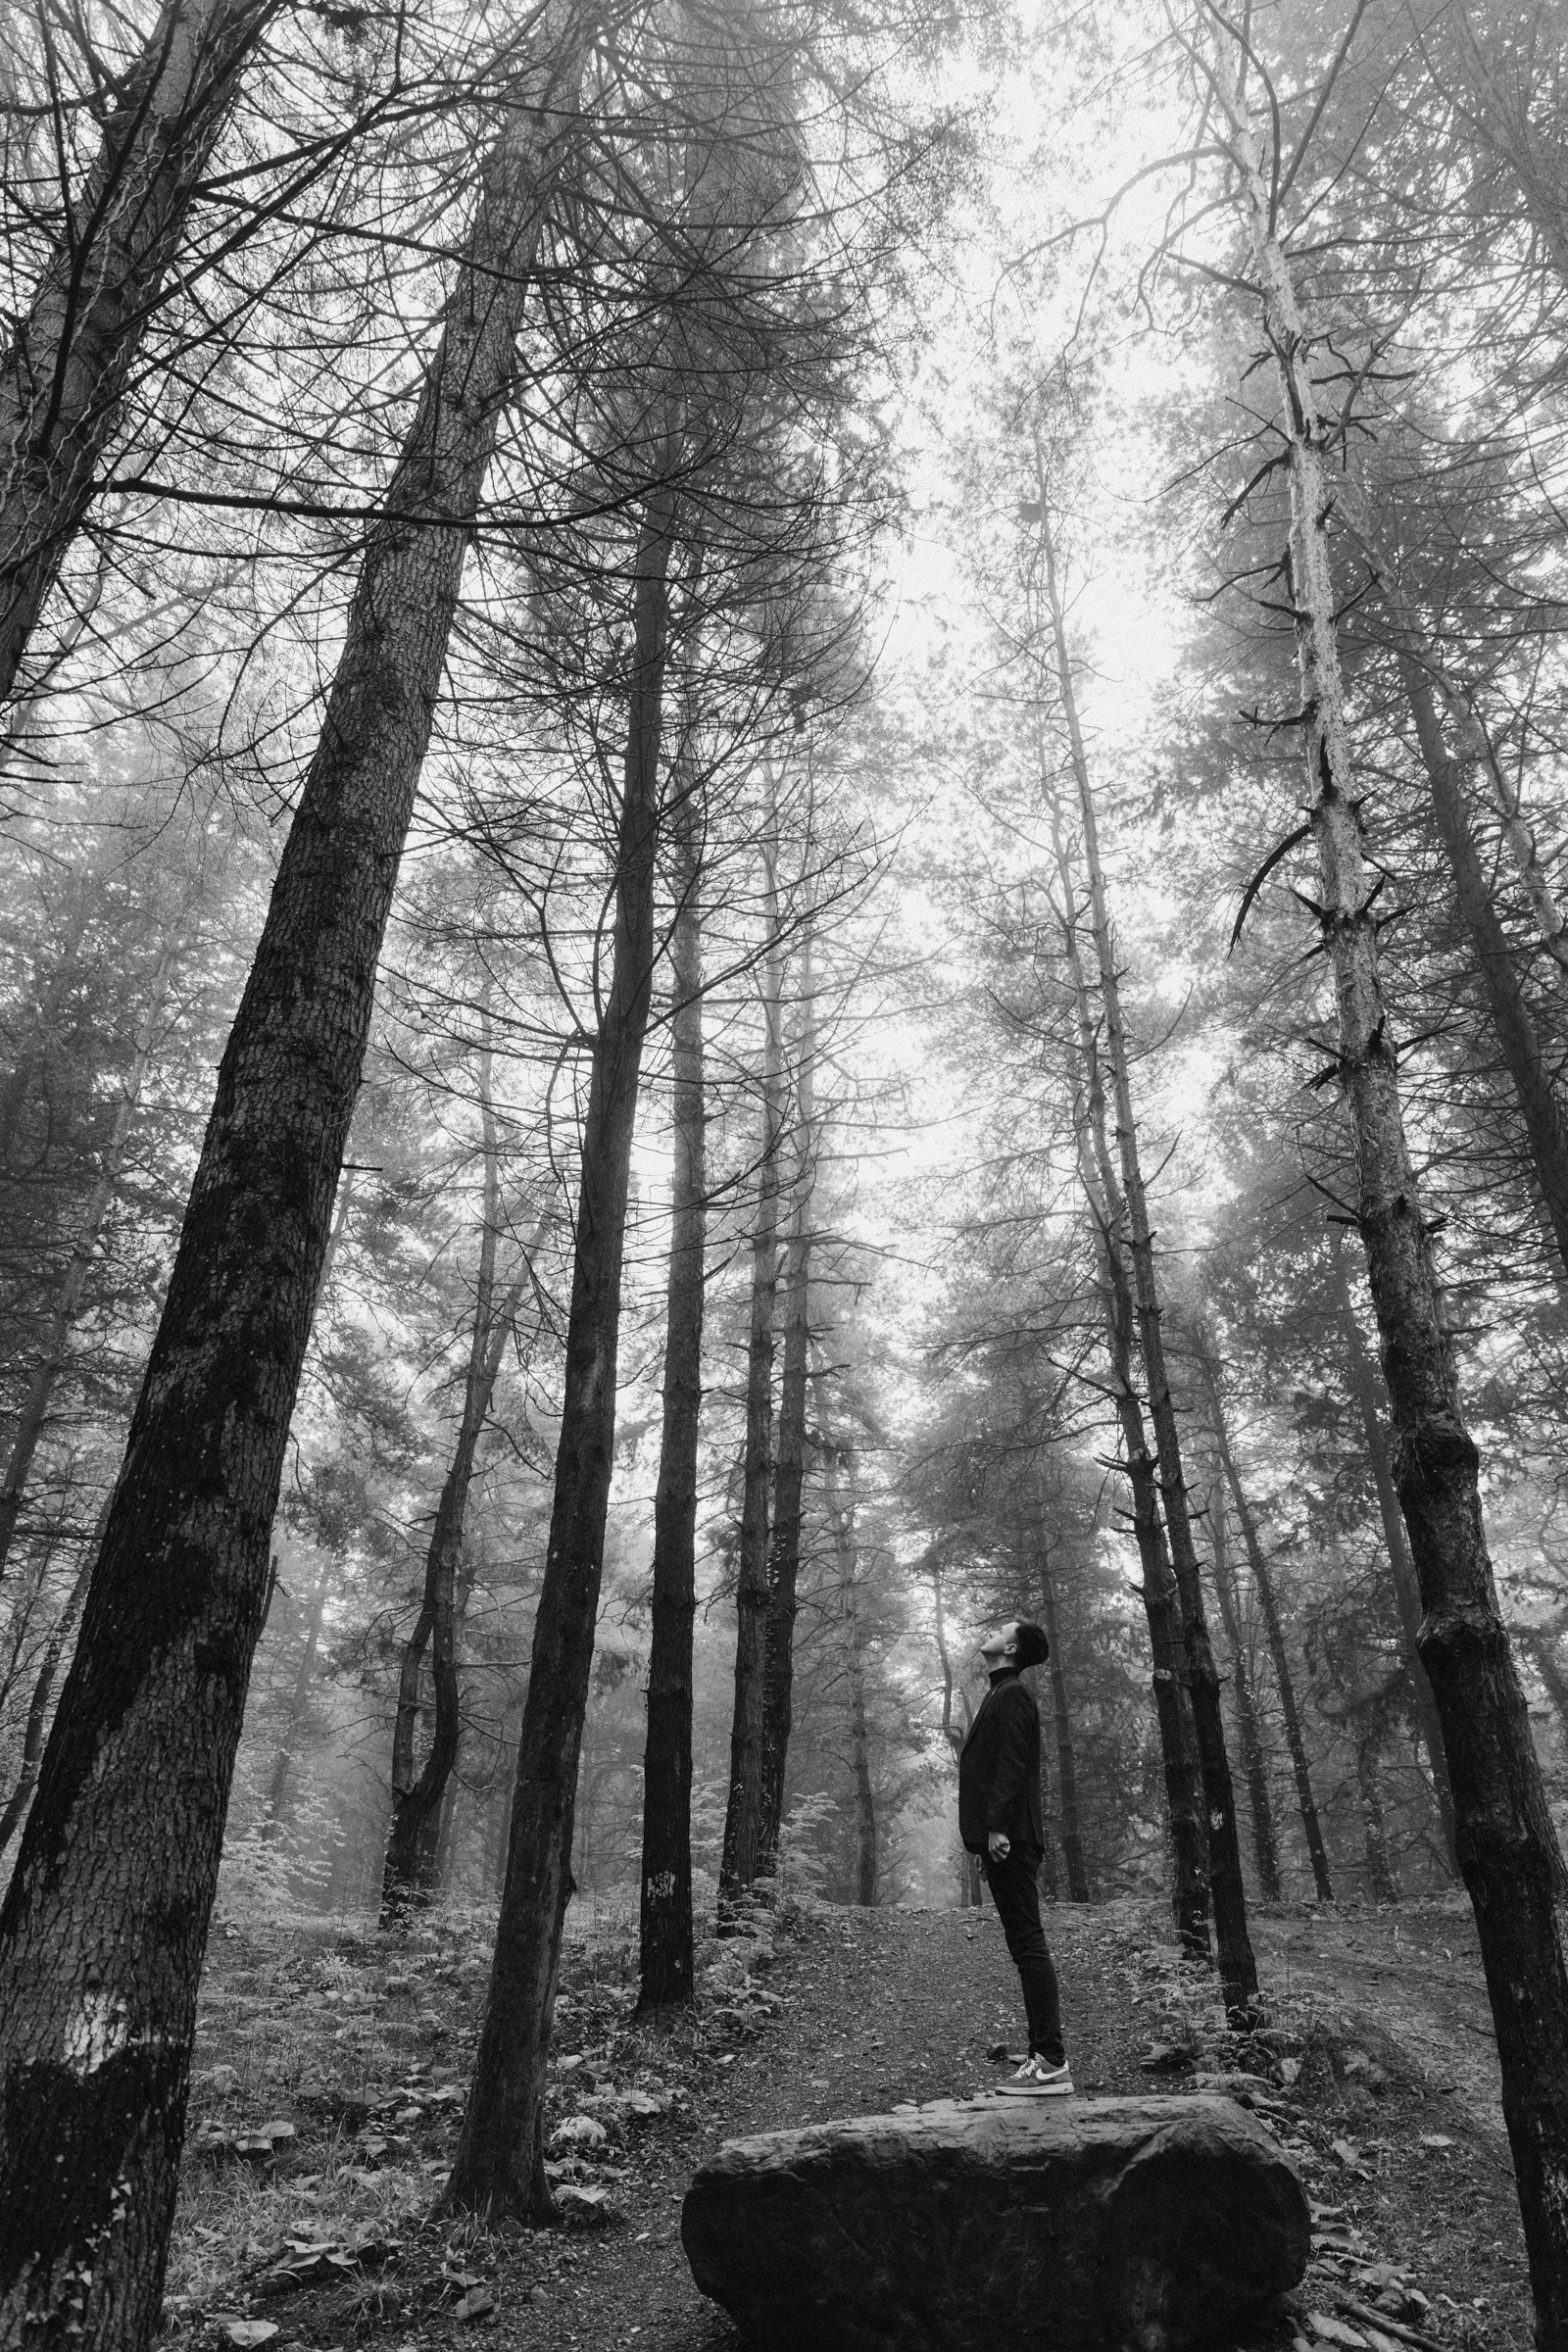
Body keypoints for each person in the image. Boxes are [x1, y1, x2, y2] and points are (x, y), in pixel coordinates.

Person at [958, 1618, 1073, 2096]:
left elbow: (1013, 1762)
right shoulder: (1000, 1692)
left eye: (1002, 1628)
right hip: (1003, 1837)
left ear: (1010, 1647)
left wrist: (998, 1827)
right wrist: (985, 1838)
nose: (992, 1630)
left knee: (1028, 1945)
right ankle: (1044, 2057)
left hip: (1012, 1837)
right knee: (1024, 1945)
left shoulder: (1014, 1695)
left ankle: (1051, 2062)